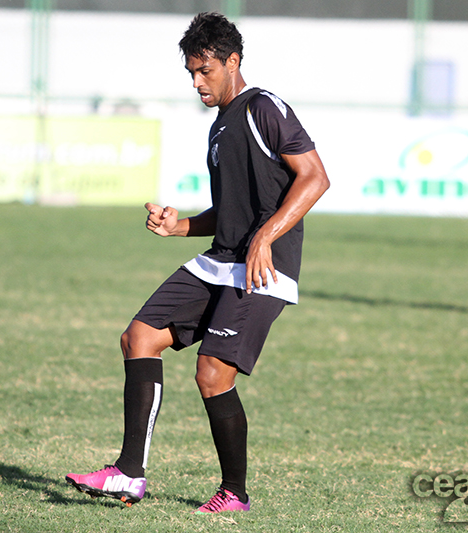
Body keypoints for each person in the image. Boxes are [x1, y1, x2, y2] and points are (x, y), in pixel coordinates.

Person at [66, 12, 330, 514]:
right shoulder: (220, 126)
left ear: (233, 62)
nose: (196, 82)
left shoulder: (264, 108)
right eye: (190, 72)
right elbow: (231, 212)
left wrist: (266, 237)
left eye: (205, 71)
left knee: (212, 373)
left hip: (262, 269)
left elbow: (315, 177)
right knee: (139, 336)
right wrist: (179, 225)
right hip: (222, 260)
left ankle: (235, 493)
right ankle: (127, 475)